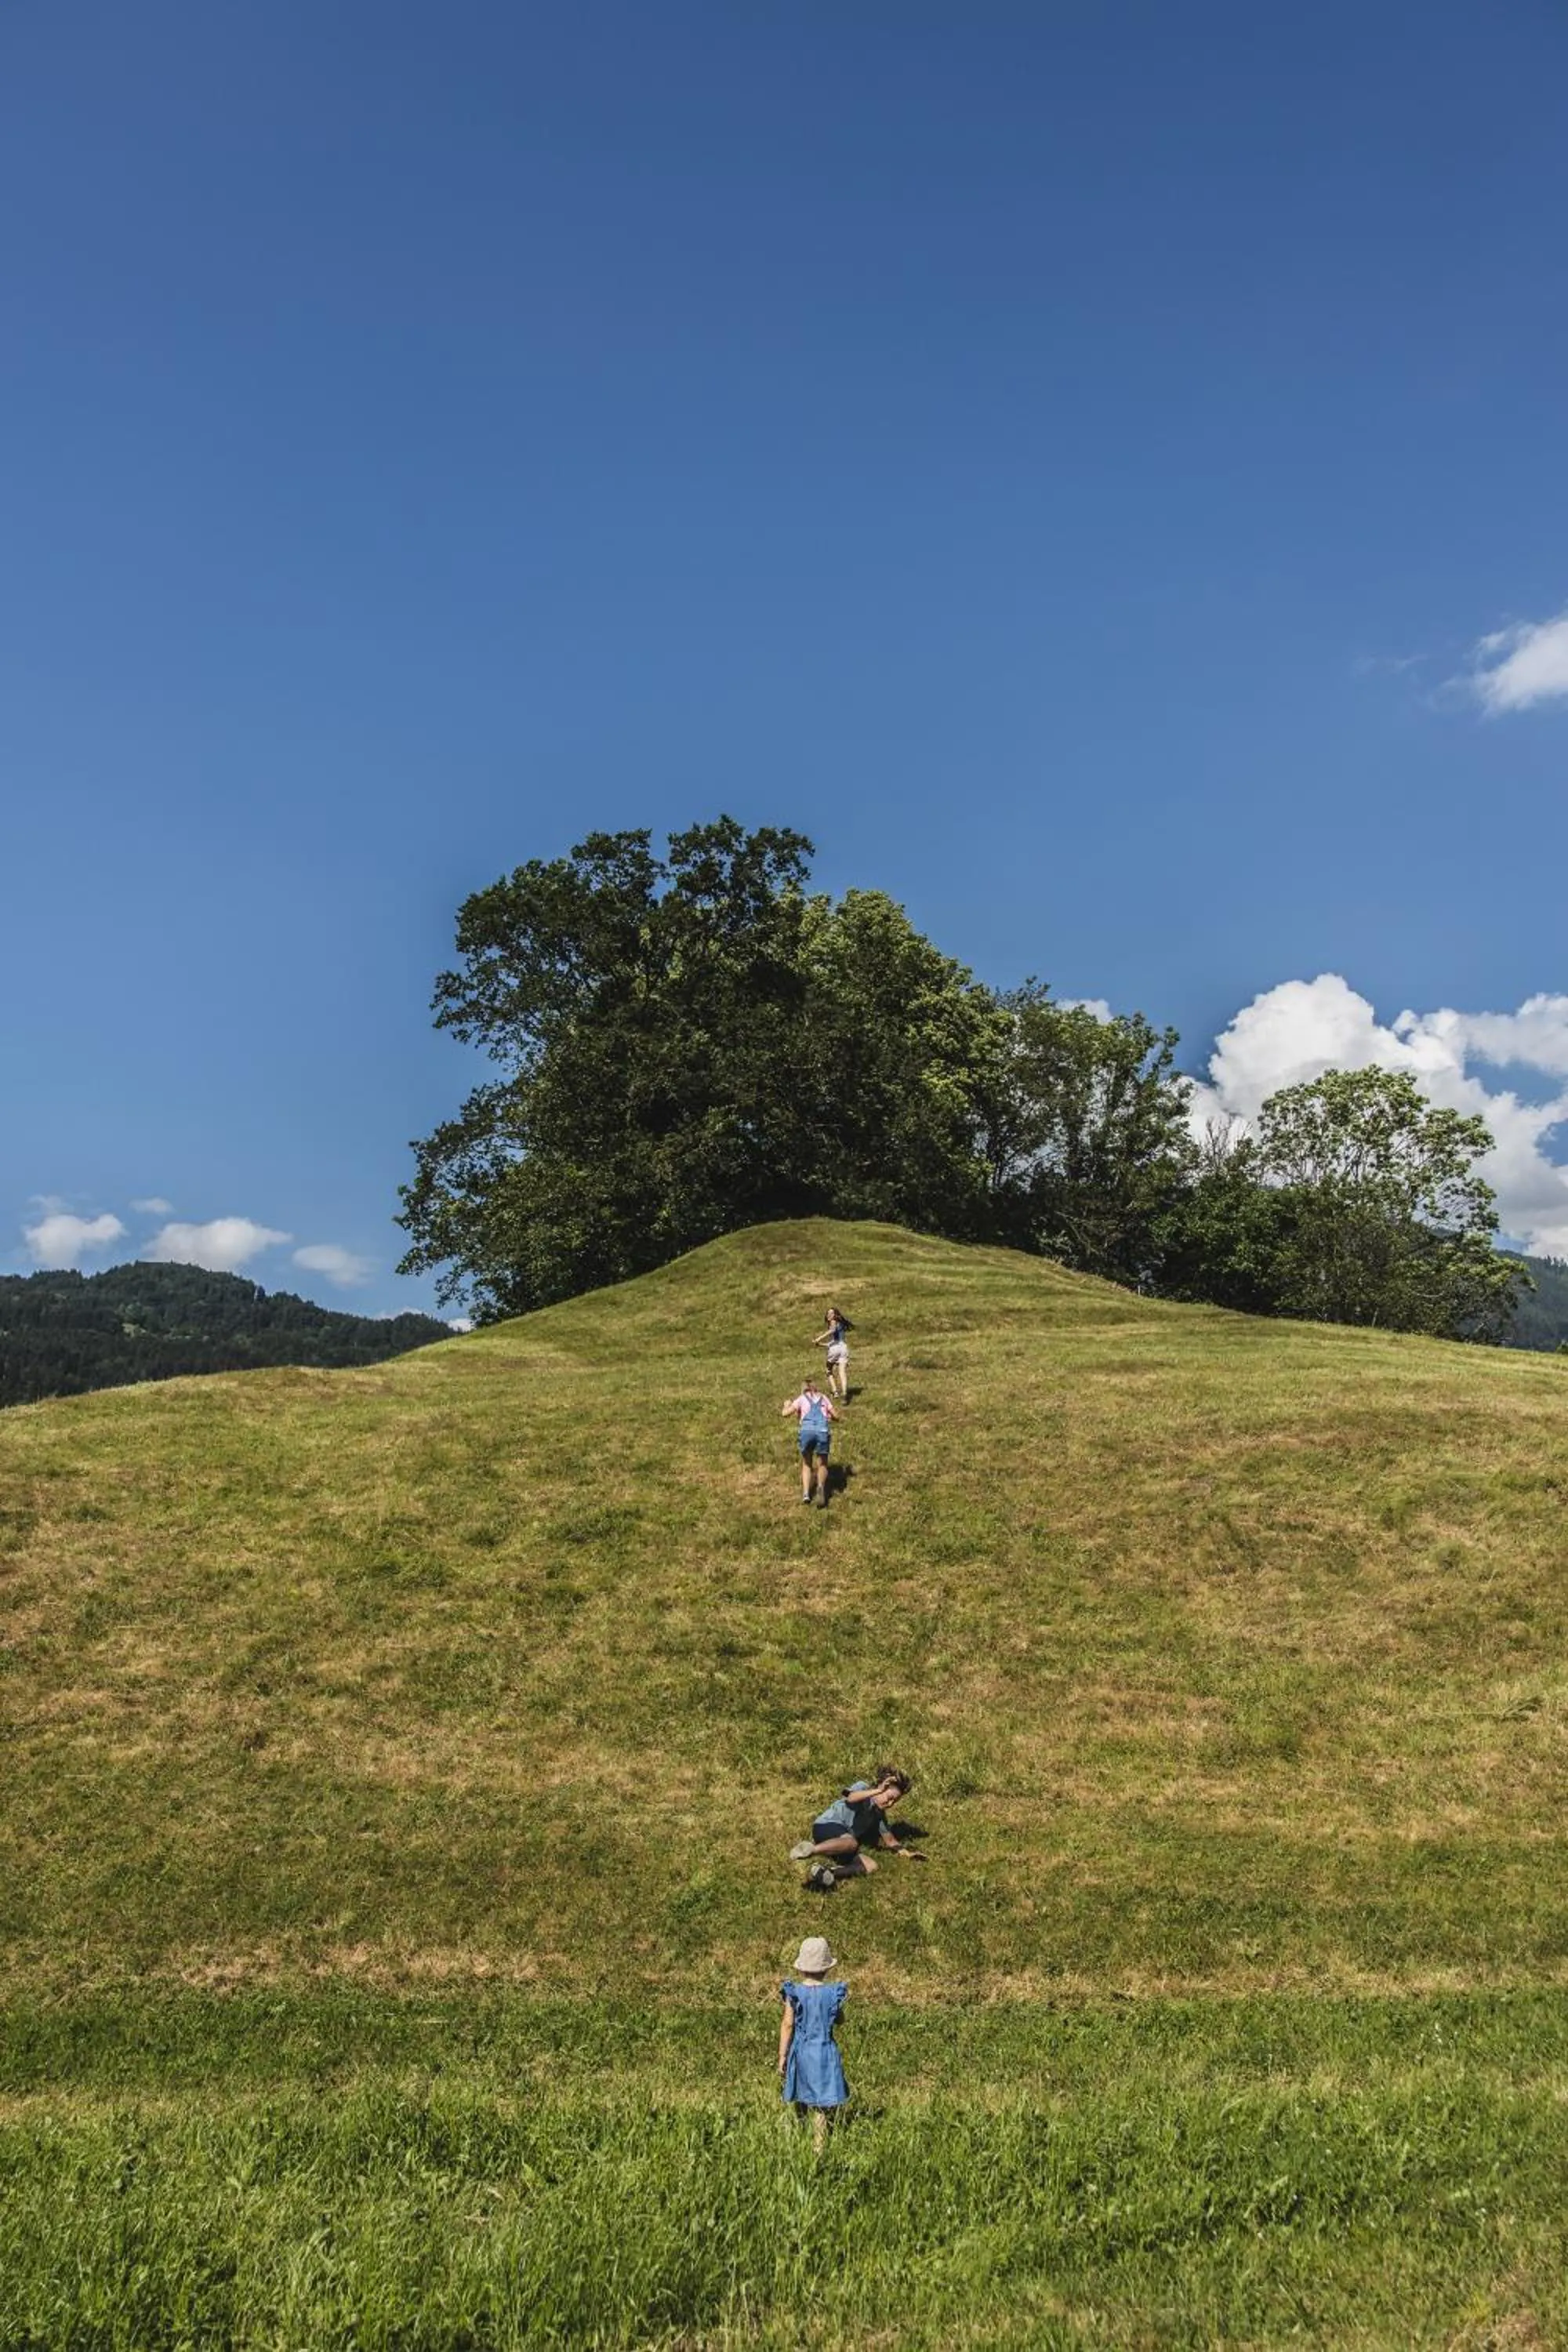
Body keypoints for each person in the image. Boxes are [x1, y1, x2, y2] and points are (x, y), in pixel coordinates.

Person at [789, 1769, 924, 1889]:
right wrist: (878, 1791)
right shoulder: (862, 1787)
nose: (890, 1803)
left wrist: (908, 1854)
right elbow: (850, 1798)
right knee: (852, 1843)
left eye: (894, 1802)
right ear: (881, 1785)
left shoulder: (878, 1815)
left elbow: (890, 1841)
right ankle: (810, 1850)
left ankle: (827, 1872)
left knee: (871, 1866)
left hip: (842, 1844)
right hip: (827, 1826)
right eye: (890, 1798)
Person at [779, 1933, 849, 2148]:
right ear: (827, 1969)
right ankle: (819, 2145)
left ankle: (799, 2131)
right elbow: (840, 2020)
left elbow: (788, 2024)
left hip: (801, 2050)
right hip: (825, 2051)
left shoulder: (794, 1992)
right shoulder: (833, 1993)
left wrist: (782, 2055)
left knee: (800, 2090)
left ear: (801, 1968)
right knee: (821, 2102)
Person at [781, 1375, 837, 1508]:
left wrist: (786, 1405)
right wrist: (831, 1417)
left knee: (807, 1463)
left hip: (806, 1431)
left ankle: (806, 1494)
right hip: (822, 1431)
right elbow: (836, 1415)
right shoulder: (824, 1398)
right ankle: (820, 1487)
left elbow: (785, 1414)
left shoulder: (801, 1399)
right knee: (822, 1463)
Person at [812, 1305, 852, 1401]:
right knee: (842, 1372)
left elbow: (832, 1330)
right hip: (843, 1348)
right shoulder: (841, 1325)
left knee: (828, 1370)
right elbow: (832, 1343)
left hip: (835, 1348)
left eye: (831, 1313)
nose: (829, 1315)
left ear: (835, 1315)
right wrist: (820, 1344)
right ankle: (845, 1393)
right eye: (828, 1313)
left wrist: (818, 1339)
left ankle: (835, 1392)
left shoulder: (833, 1322)